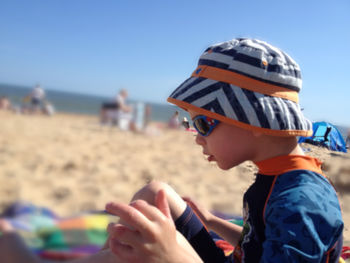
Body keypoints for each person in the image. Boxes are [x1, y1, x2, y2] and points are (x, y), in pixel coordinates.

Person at [104, 38, 344, 263]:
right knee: (156, 193)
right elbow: (257, 242)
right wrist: (211, 221)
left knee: (141, 250)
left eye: (204, 124)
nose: (198, 138)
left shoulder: (301, 204)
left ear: (256, 120)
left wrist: (172, 257)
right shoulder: (279, 175)